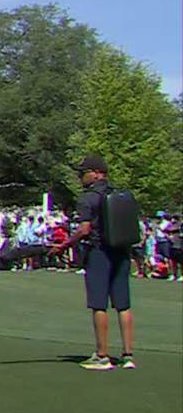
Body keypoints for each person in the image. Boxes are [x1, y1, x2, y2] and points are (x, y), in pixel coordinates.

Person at [51, 156, 137, 370]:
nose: (81, 177)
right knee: (123, 304)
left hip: (99, 252)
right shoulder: (121, 194)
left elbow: (84, 229)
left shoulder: (88, 198)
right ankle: (128, 355)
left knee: (99, 304)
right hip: (122, 251)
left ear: (97, 173)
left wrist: (64, 245)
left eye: (84, 173)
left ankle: (102, 355)